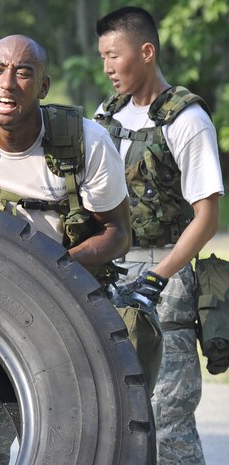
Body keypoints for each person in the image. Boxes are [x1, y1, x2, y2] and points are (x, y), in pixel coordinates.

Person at [0, 34, 131, 464]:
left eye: (23, 72)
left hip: (72, 311)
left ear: (43, 86)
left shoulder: (87, 142)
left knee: (79, 447)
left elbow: (118, 232)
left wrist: (54, 269)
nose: (8, 82)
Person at [94, 7, 224, 465]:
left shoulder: (186, 119)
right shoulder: (104, 116)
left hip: (164, 279)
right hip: (108, 275)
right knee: (113, 412)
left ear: (146, 52)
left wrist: (158, 277)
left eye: (115, 55)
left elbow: (206, 217)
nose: (107, 67)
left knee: (168, 419)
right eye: (102, 57)